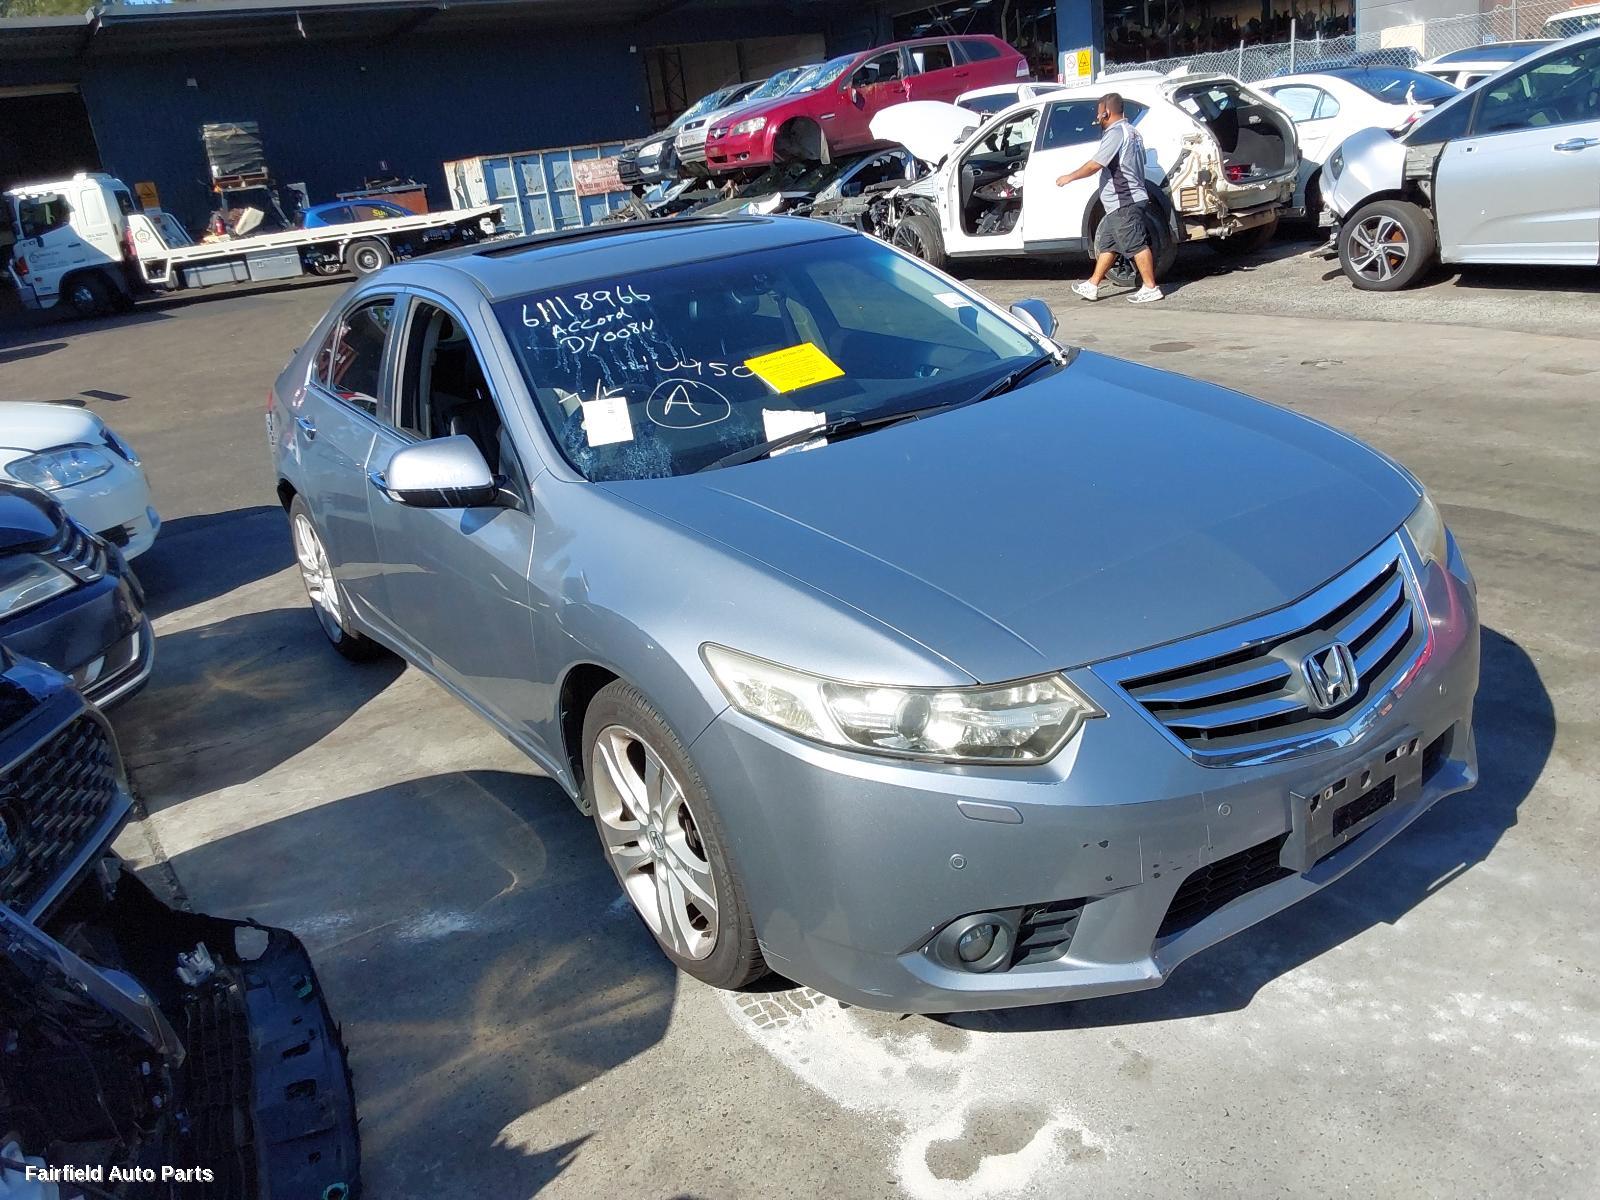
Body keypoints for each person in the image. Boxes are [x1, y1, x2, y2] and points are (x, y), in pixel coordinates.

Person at [1054, 93, 1163, 304]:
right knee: (1108, 245)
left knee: (1135, 244)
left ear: (1106, 112)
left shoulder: (1116, 132)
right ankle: (1093, 285)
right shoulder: (1132, 132)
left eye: (1098, 113)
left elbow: (1096, 164)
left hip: (1124, 200)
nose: (1097, 118)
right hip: (1121, 201)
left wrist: (1069, 177)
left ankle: (1150, 287)